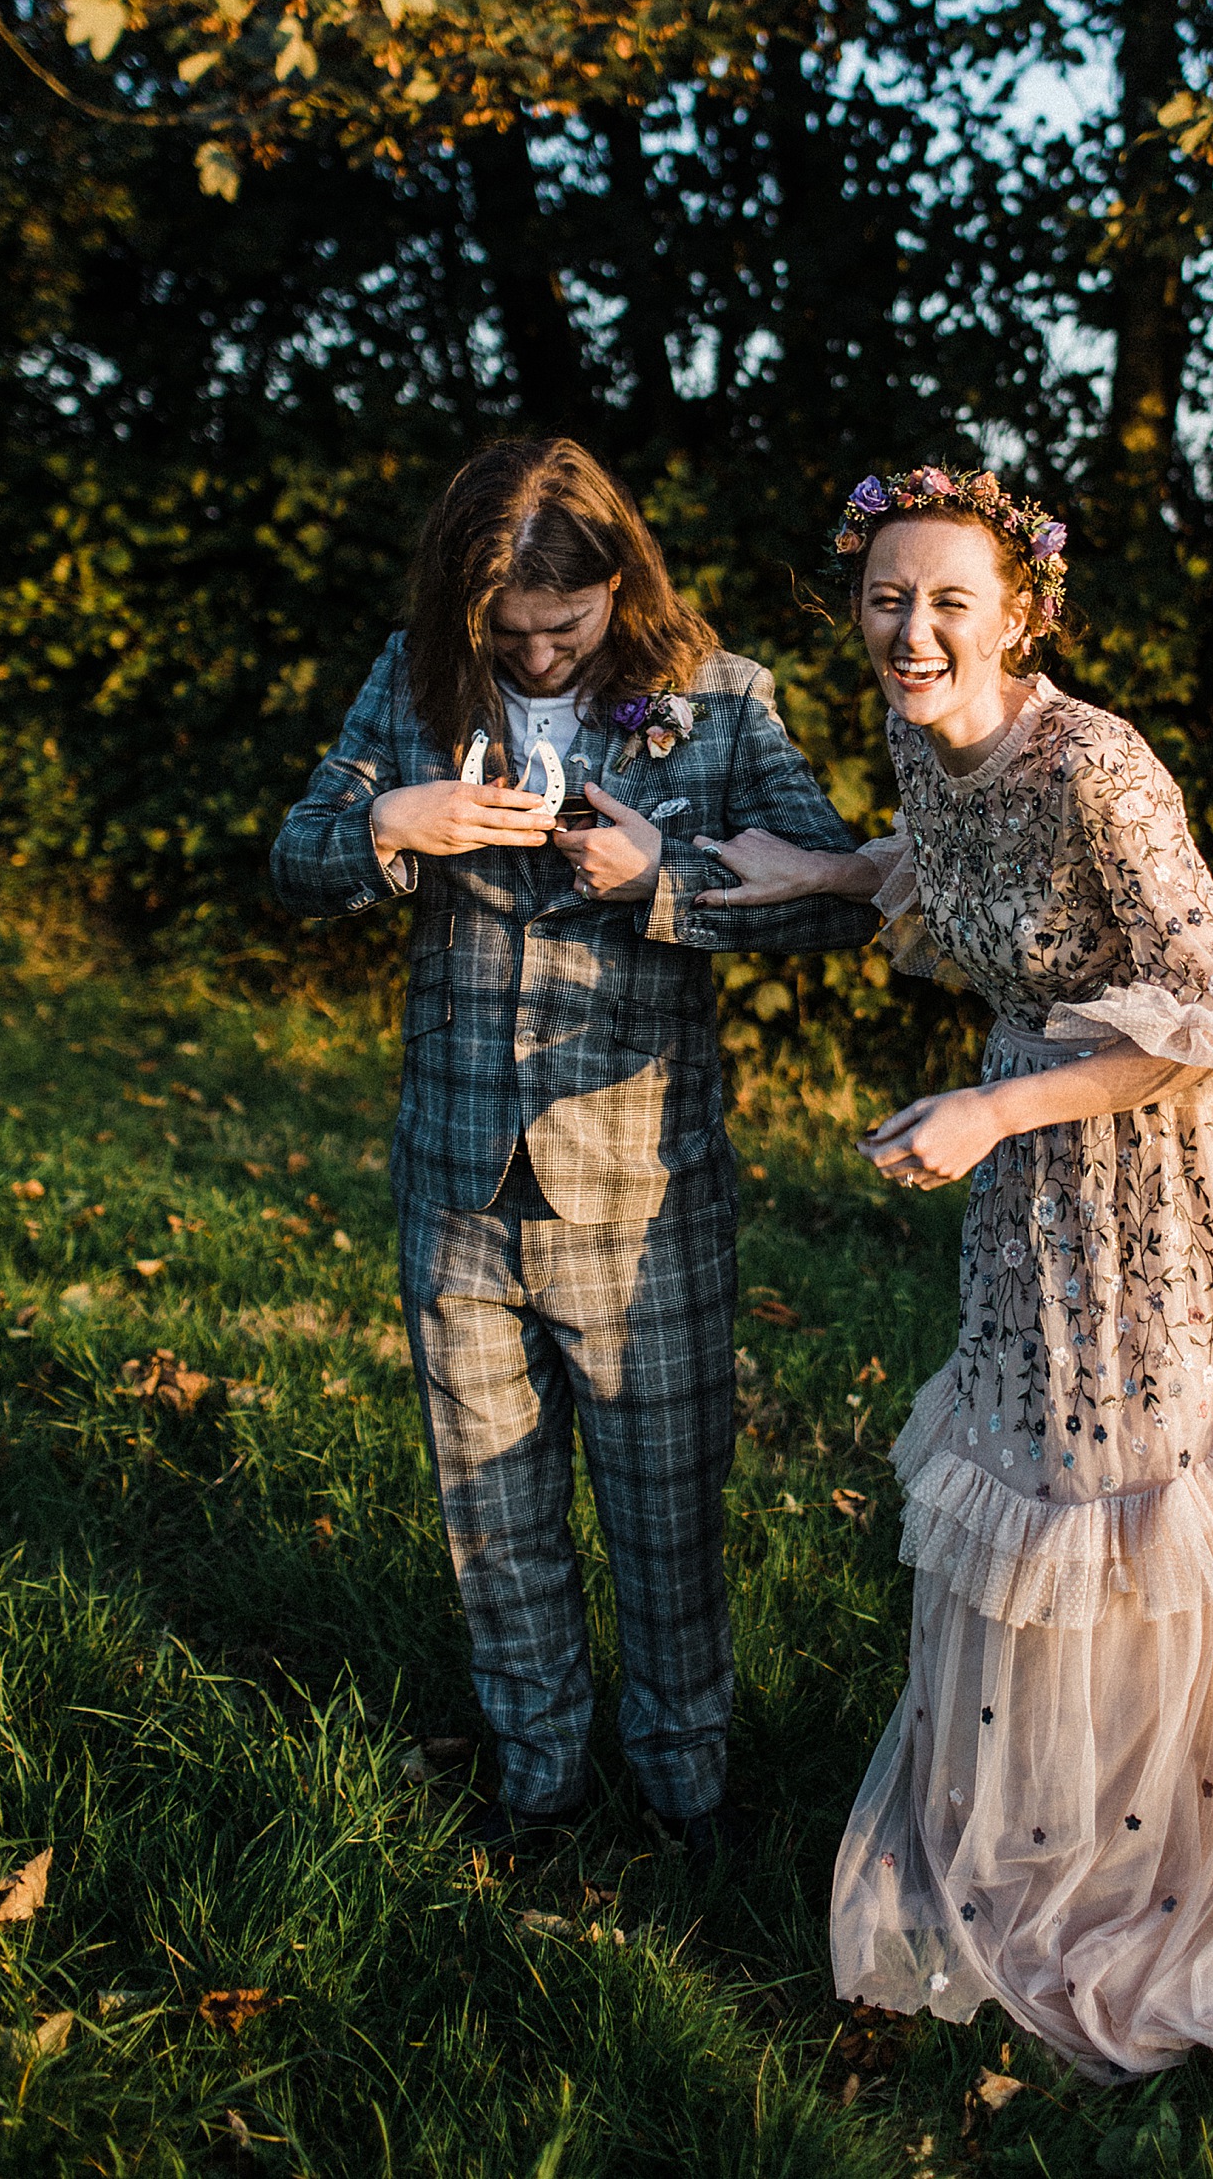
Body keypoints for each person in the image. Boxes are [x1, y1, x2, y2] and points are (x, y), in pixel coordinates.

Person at [692, 465, 1213, 2096]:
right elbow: (968, 887)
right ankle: (1072, 1844)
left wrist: (994, 1104)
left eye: (953, 600)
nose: (916, 629)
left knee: (1169, 1512)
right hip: (1031, 1198)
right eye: (890, 597)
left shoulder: (1105, 766)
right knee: (1057, 1493)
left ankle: (1203, 1876)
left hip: (1166, 1183)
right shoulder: (916, 732)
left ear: (1021, 612)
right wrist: (817, 872)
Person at [269, 437, 878, 1856]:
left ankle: (685, 1788)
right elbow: (295, 859)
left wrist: (671, 883)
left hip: (640, 1194)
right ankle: (537, 1782)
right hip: (457, 1180)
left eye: (568, 624)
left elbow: (840, 898)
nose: (537, 655)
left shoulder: (721, 704)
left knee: (666, 1519)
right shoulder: (414, 675)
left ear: (620, 581)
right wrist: (383, 823)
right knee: (494, 1514)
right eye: (511, 632)